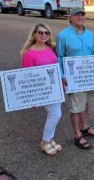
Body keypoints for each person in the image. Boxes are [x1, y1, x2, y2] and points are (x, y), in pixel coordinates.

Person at [57, 8, 94, 150]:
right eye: (77, 15)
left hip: (88, 77)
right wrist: (62, 74)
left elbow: (93, 52)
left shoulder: (89, 34)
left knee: (85, 103)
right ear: (70, 17)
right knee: (76, 107)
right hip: (73, 78)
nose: (80, 17)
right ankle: (77, 135)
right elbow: (59, 56)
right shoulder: (63, 35)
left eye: (82, 15)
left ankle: (85, 127)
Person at [21, 23, 62, 155]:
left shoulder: (50, 48)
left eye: (46, 33)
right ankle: (45, 142)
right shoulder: (29, 53)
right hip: (42, 91)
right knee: (55, 114)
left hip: (55, 88)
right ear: (34, 34)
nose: (44, 35)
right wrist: (32, 98)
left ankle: (50, 139)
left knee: (55, 114)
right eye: (40, 32)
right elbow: (27, 77)